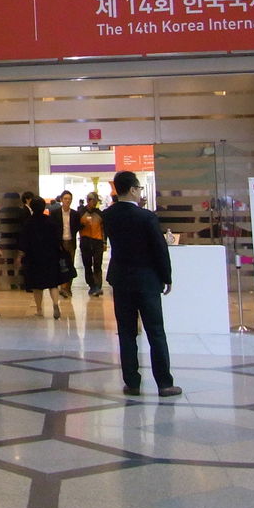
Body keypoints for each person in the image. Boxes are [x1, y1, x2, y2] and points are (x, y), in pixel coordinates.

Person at [104, 171, 180, 398]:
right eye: (138, 188)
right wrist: (166, 277)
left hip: (121, 279)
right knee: (155, 332)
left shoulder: (108, 215)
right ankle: (164, 384)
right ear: (132, 189)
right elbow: (159, 249)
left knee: (126, 333)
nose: (139, 192)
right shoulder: (146, 217)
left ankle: (132, 383)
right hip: (147, 279)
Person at [20, 197, 63, 319]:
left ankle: (39, 309)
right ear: (44, 207)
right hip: (50, 256)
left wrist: (22, 255)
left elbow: (24, 241)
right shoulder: (51, 221)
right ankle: (55, 304)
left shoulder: (28, 223)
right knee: (53, 283)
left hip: (34, 258)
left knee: (37, 285)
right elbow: (57, 238)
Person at [78, 192, 106, 296]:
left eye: (95, 201)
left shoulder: (99, 213)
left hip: (97, 241)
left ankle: (98, 286)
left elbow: (104, 229)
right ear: (88, 200)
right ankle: (92, 286)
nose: (94, 203)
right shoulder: (81, 212)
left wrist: (104, 242)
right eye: (92, 201)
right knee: (87, 264)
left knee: (98, 264)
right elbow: (76, 226)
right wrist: (83, 224)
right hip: (85, 240)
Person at [54, 190, 80, 299]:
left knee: (70, 265)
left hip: (71, 242)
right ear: (61, 200)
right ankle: (63, 288)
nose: (67, 201)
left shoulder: (75, 214)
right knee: (62, 265)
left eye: (69, 199)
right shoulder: (55, 213)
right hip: (60, 242)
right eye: (65, 199)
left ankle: (68, 287)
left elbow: (77, 227)